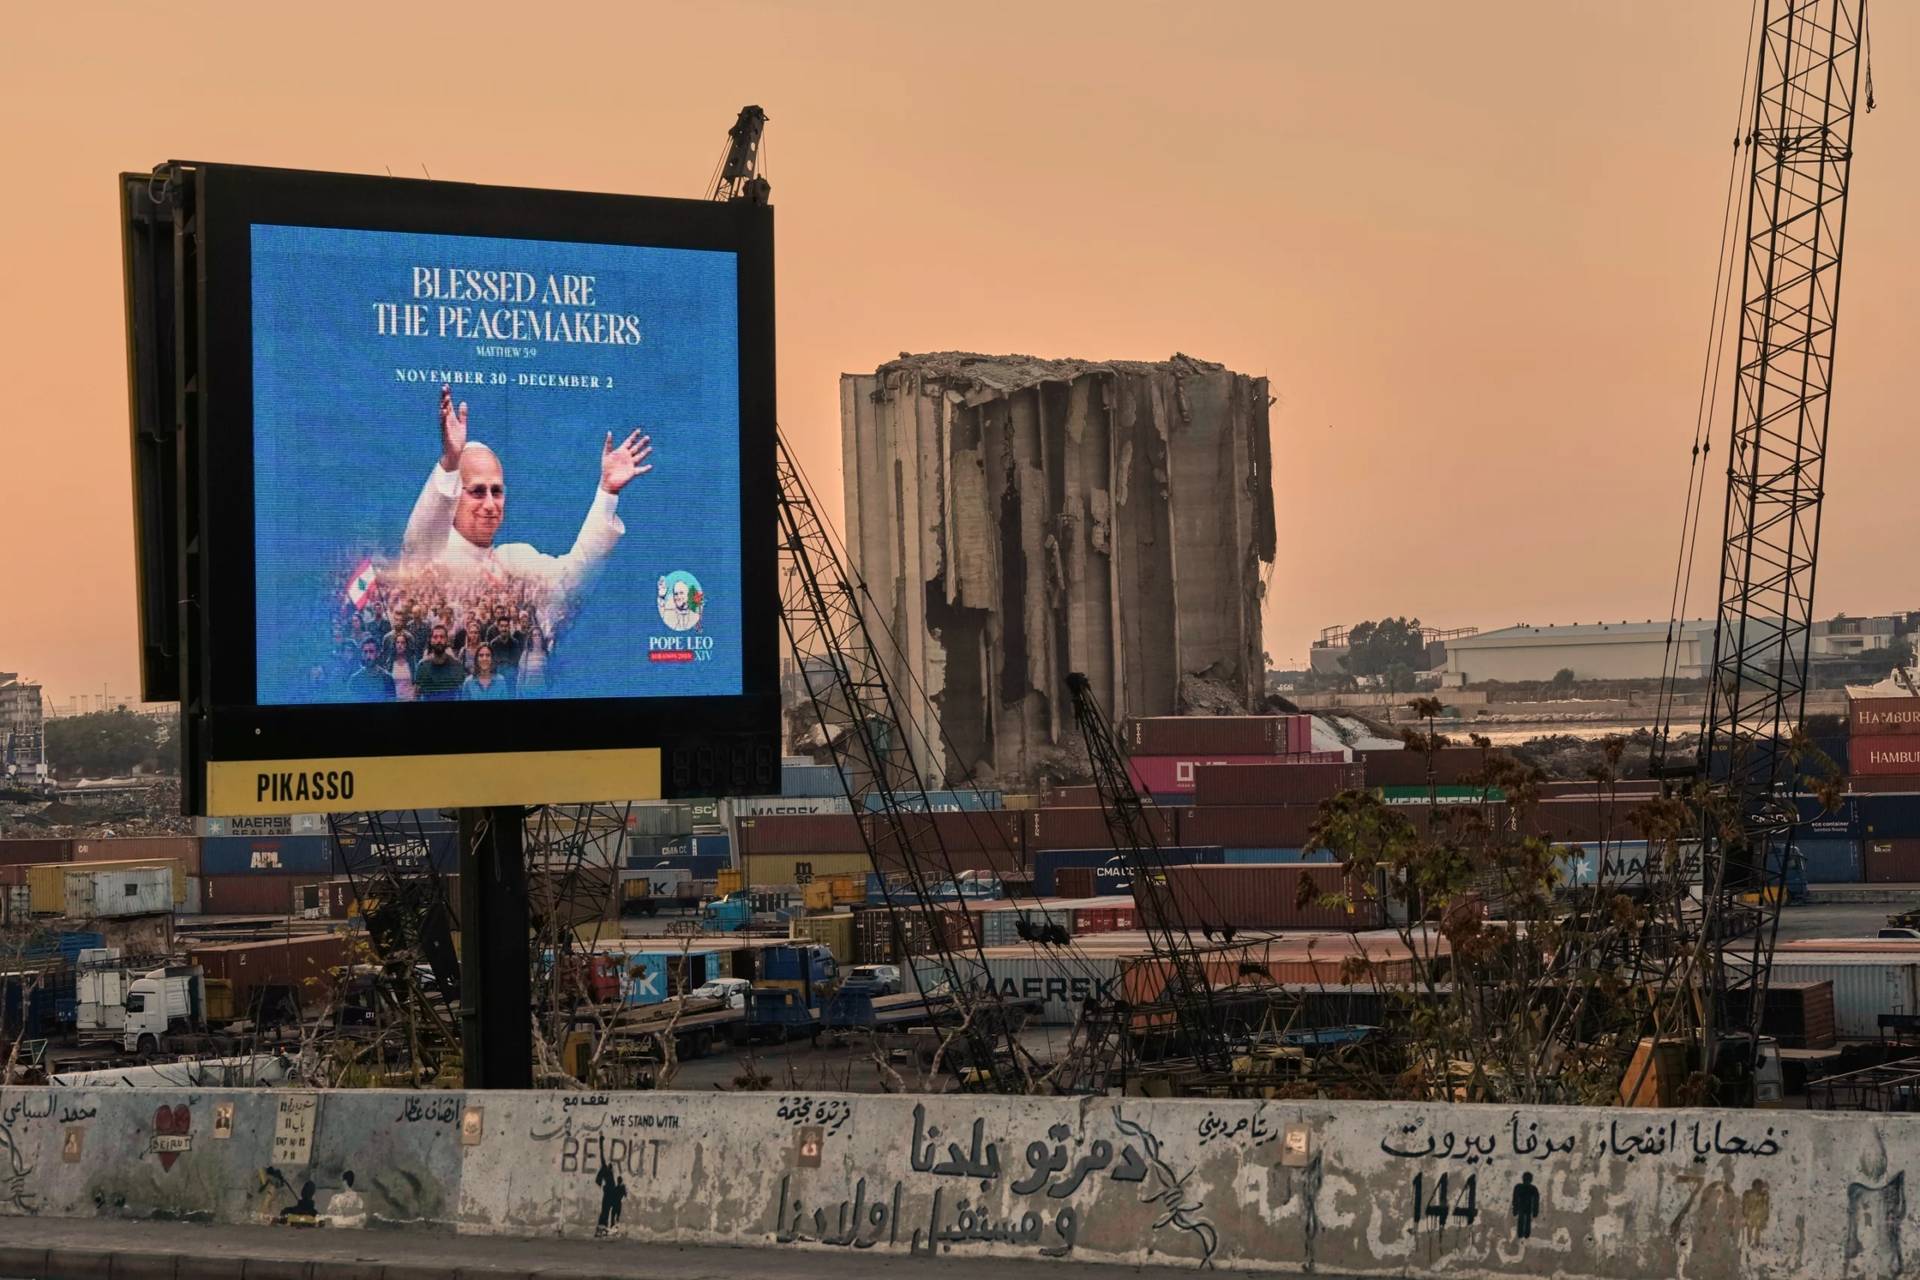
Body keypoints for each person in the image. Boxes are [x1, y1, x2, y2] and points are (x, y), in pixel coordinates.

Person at [401, 384, 654, 591]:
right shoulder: (434, 558)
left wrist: (607, 491)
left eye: (496, 491)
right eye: (477, 491)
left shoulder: (515, 559)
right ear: (455, 498)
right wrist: (451, 461)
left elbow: (571, 580)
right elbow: (419, 545)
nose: (490, 504)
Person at [412, 623, 466, 701]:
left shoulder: (456, 665)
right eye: (435, 637)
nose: (439, 640)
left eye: (442, 637)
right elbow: (416, 696)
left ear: (447, 640)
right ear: (431, 641)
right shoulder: (422, 666)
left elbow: (462, 695)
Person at [388, 631, 416, 702]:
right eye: (397, 642)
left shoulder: (412, 662)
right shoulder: (390, 662)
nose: (400, 645)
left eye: (403, 642)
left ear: (406, 645)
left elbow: (416, 684)